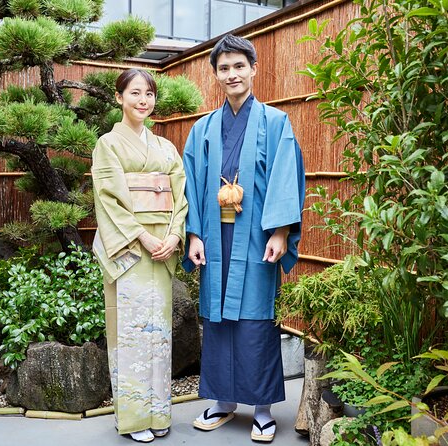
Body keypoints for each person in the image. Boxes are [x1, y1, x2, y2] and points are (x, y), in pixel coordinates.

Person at [182, 34, 305, 443]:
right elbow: (192, 185)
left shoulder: (275, 123)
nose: (232, 74)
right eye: (224, 68)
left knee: (256, 320)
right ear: (215, 74)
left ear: (253, 69)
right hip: (215, 237)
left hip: (257, 237)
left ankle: (264, 409)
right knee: (216, 319)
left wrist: (282, 231)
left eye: (239, 66)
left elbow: (287, 177)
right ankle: (222, 401)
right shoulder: (202, 129)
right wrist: (194, 234)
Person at [92, 68, 188, 443]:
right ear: (119, 98)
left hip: (163, 245)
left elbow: (180, 197)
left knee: (159, 334)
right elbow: (109, 200)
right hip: (132, 249)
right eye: (135, 93)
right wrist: (143, 237)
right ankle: (132, 419)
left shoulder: (165, 147)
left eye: (149, 94)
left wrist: (175, 234)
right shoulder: (108, 144)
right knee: (131, 332)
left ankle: (159, 412)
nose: (143, 100)